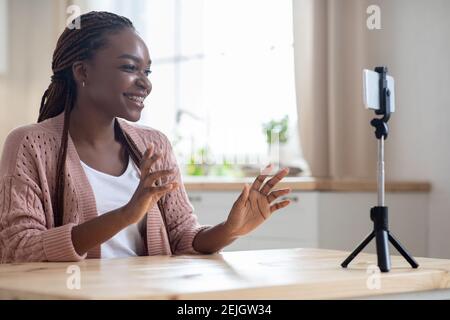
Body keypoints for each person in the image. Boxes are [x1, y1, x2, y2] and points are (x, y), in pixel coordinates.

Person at [0, 11, 292, 263]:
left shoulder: (155, 145)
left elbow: (182, 237)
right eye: (129, 67)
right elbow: (19, 247)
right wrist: (125, 214)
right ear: (82, 71)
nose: (146, 83)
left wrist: (230, 230)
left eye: (147, 71)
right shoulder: (30, 144)